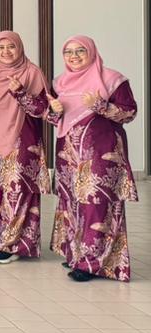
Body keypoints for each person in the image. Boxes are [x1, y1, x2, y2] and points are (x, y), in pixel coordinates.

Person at [46, 36, 138, 282]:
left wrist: (100, 105)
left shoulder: (112, 79)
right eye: (68, 52)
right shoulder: (60, 83)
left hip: (101, 155)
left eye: (80, 51)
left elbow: (129, 113)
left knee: (96, 204)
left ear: (92, 52)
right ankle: (77, 255)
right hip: (68, 156)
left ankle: (91, 264)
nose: (74, 56)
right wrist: (53, 112)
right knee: (72, 204)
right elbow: (54, 117)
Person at [0, 31, 50, 264]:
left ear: (19, 48)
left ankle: (13, 245)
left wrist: (21, 92)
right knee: (1, 189)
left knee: (19, 188)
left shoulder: (32, 72)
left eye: (11, 46)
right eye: (1, 47)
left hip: (23, 138)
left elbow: (43, 109)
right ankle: (1, 240)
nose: (6, 51)